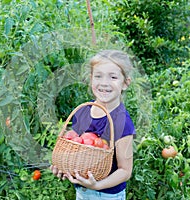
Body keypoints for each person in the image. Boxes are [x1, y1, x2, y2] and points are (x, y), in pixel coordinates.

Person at [50, 49, 136, 200]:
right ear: (91, 79)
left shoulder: (122, 121)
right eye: (98, 76)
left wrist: (97, 185)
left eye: (113, 77)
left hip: (107, 195)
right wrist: (63, 166)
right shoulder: (82, 112)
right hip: (82, 191)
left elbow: (125, 171)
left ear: (125, 83)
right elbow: (75, 149)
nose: (104, 83)